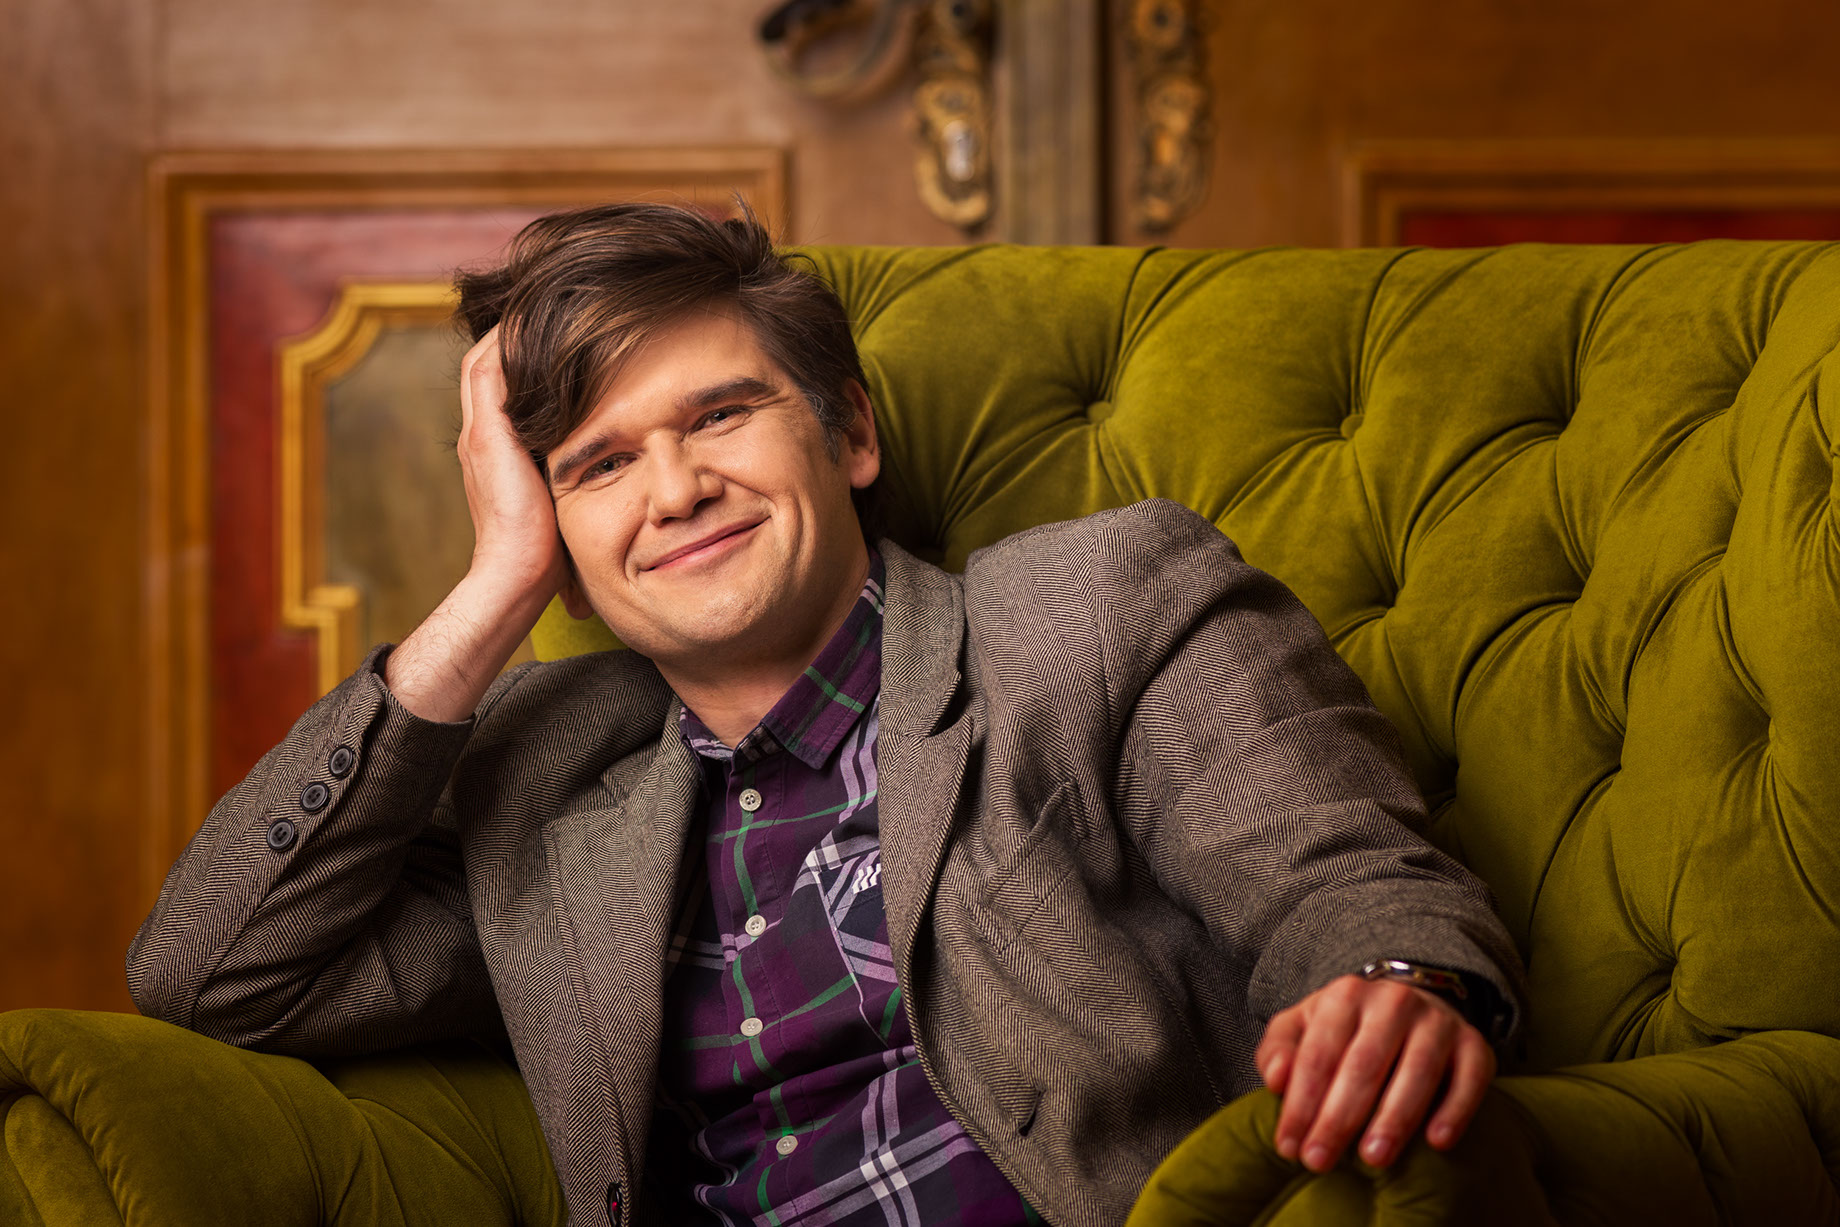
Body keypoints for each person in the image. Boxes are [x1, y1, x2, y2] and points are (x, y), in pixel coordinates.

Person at [129, 200, 1526, 1227]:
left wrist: (1397, 983)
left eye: (719, 416)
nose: (675, 490)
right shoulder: (549, 794)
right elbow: (211, 973)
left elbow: (1345, 883)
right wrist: (495, 586)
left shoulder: (1091, 611)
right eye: (600, 465)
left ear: (848, 433)